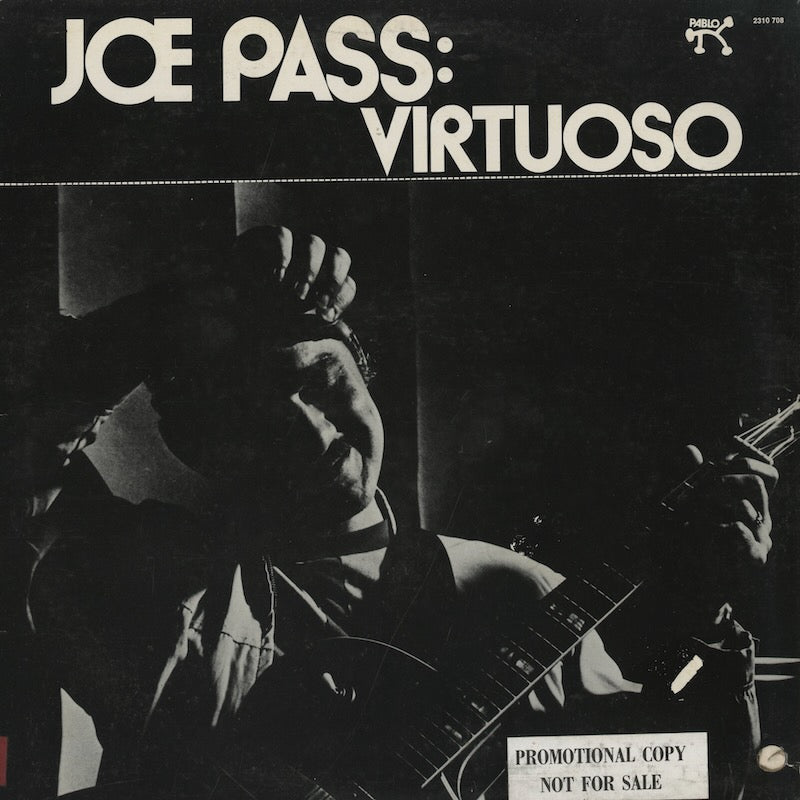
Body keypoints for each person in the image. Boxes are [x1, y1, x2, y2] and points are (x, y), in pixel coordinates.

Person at [0, 225, 777, 799]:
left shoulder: (519, 593)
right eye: (259, 412)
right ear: (203, 449)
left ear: (369, 383)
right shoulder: (142, 583)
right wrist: (170, 312)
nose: (313, 430)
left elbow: (676, 779)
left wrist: (704, 623)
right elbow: (20, 458)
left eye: (323, 381)